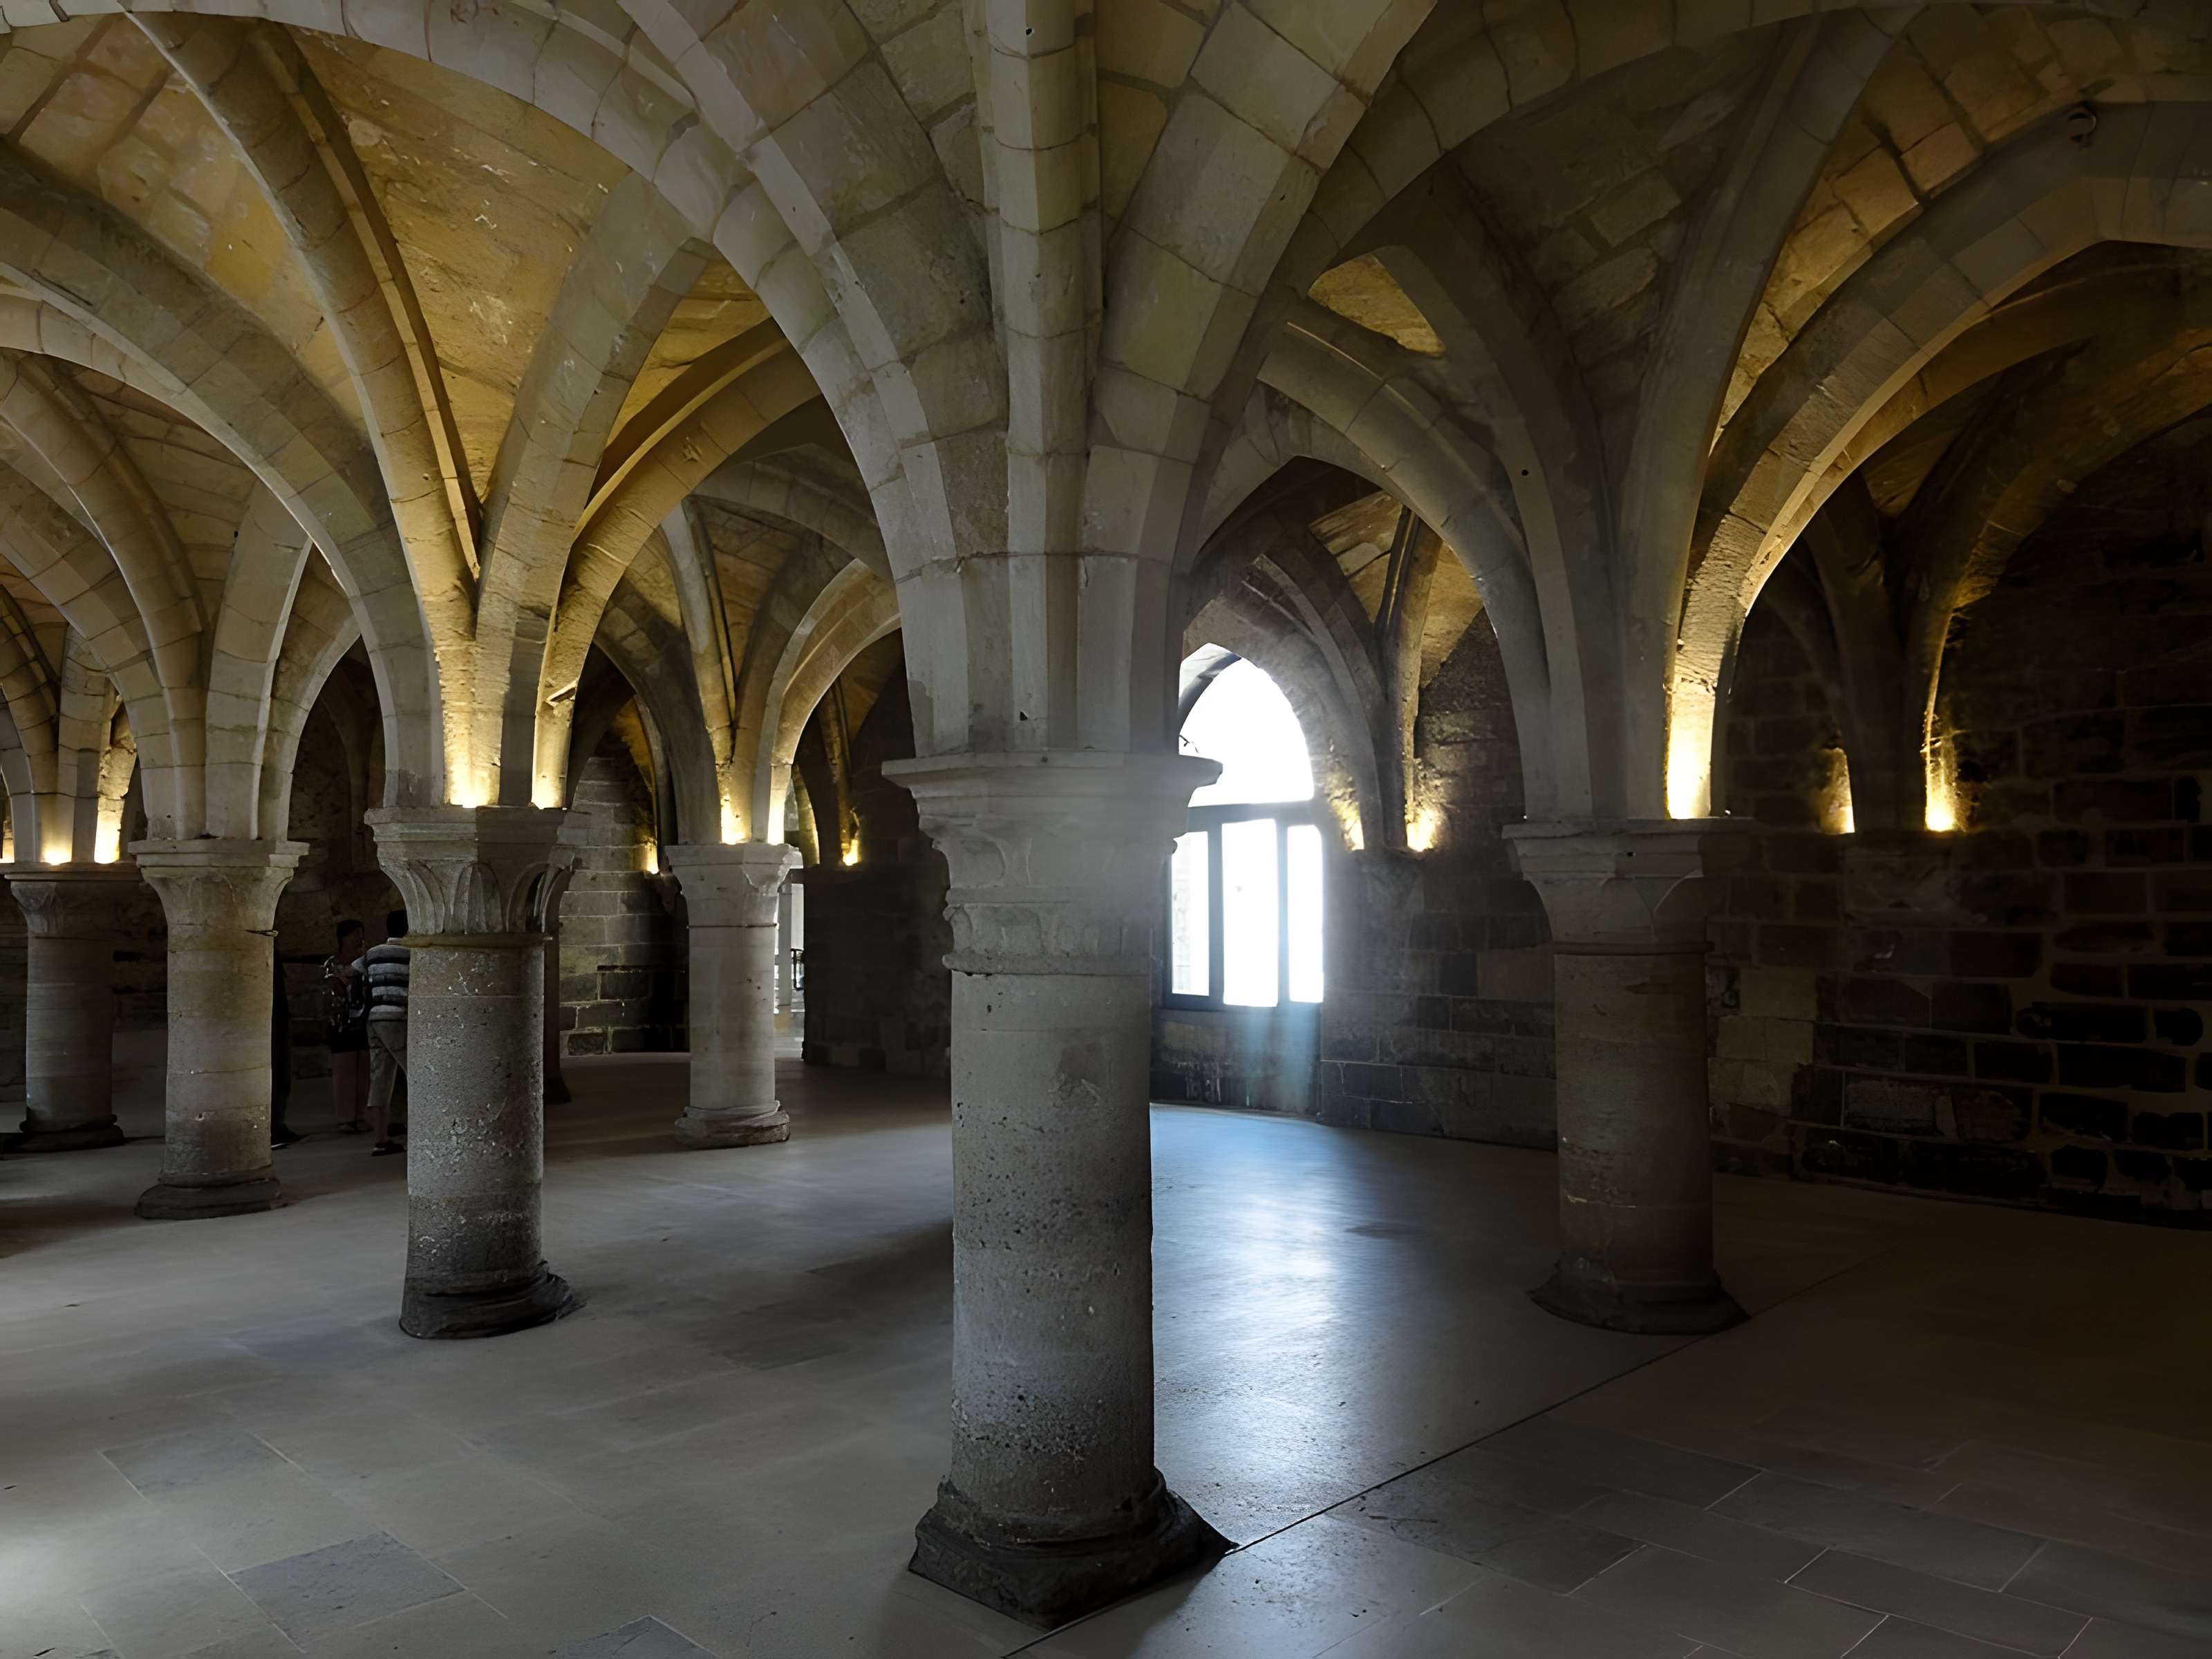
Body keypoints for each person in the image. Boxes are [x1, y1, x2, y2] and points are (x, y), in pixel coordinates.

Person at [364, 909, 410, 1158]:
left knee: (380, 1078)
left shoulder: (373, 953)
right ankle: (422, 1136)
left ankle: (380, 1140)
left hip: (374, 1018)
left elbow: (353, 972)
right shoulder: (411, 953)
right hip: (398, 1017)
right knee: (417, 1076)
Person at [326, 919, 371, 1134]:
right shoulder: (332, 963)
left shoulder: (367, 961)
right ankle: (345, 1118)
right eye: (354, 935)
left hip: (363, 1019)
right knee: (344, 1071)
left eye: (361, 934)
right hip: (341, 1022)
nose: (359, 939)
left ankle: (361, 1115)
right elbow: (329, 990)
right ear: (343, 938)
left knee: (363, 1070)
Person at [270, 959, 301, 1148]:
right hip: (272, 1026)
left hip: (279, 1023)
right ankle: (273, 1128)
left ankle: (277, 1126)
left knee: (281, 1077)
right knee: (275, 1078)